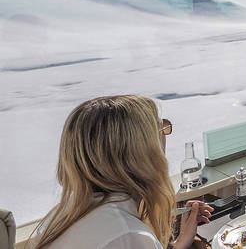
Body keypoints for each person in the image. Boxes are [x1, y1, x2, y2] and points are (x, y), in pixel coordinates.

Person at [31, 95, 213, 249]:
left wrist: (181, 242)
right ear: (140, 153)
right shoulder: (127, 235)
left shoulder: (59, 218)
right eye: (160, 130)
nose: (164, 138)